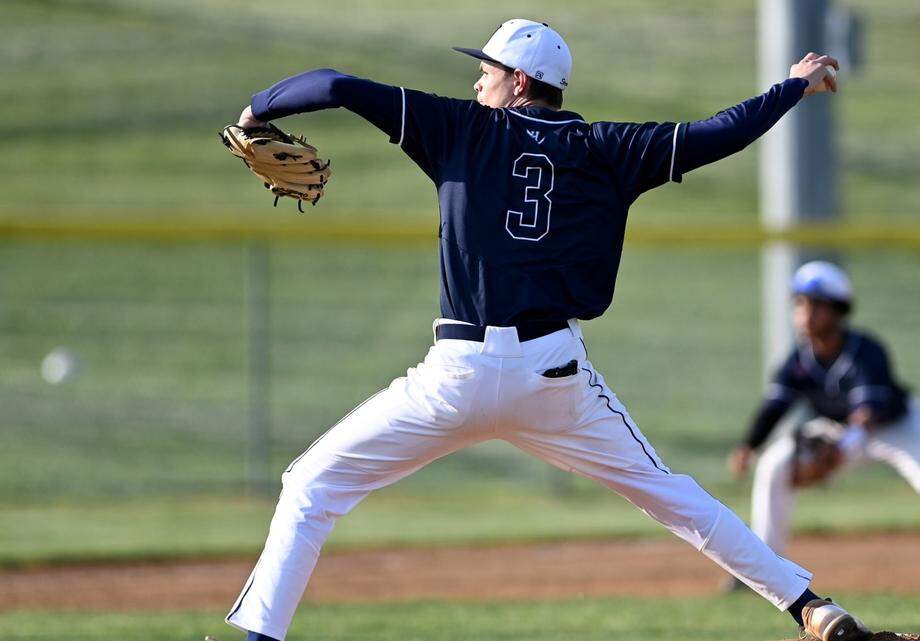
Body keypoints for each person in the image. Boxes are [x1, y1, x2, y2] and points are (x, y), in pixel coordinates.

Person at [220, 19, 868, 641]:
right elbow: (717, 133)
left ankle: (261, 639)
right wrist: (794, 85)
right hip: (552, 379)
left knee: (311, 486)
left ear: (521, 81)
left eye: (488, 69)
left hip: (455, 377)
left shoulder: (459, 127)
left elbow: (334, 84)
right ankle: (809, 605)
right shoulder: (608, 148)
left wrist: (255, 111)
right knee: (672, 495)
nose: (478, 81)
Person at [725, 261, 920, 596]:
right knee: (774, 465)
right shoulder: (798, 361)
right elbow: (775, 406)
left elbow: (868, 413)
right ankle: (763, 569)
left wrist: (841, 450)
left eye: (817, 305)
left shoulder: (866, 351)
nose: (806, 313)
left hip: (896, 426)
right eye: (801, 303)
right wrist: (749, 446)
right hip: (837, 429)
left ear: (838, 311)